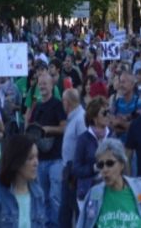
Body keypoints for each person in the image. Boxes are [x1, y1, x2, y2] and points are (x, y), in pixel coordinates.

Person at [77, 138, 141, 227]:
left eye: (110, 163)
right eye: (100, 165)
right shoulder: (94, 195)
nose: (105, 169)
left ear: (122, 164)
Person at [0, 134, 47, 228]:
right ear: (16, 161)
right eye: (30, 158)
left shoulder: (38, 194)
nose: (36, 163)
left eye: (37, 157)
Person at [28, 72, 67, 227]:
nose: (42, 86)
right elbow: (30, 126)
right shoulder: (36, 106)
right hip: (39, 159)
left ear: (52, 85)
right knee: (42, 197)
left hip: (56, 158)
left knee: (55, 197)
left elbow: (64, 128)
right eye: (40, 83)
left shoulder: (57, 104)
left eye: (45, 83)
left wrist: (47, 129)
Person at [74, 96, 111, 211]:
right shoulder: (83, 139)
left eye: (108, 111)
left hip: (109, 192)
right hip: (88, 192)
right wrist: (94, 168)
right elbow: (76, 169)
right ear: (94, 118)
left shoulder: (112, 136)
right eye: (104, 113)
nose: (108, 115)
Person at [60, 88, 86, 227]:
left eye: (63, 101)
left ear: (67, 102)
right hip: (68, 169)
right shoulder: (72, 118)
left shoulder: (81, 118)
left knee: (73, 208)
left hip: (74, 172)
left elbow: (84, 145)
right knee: (66, 209)